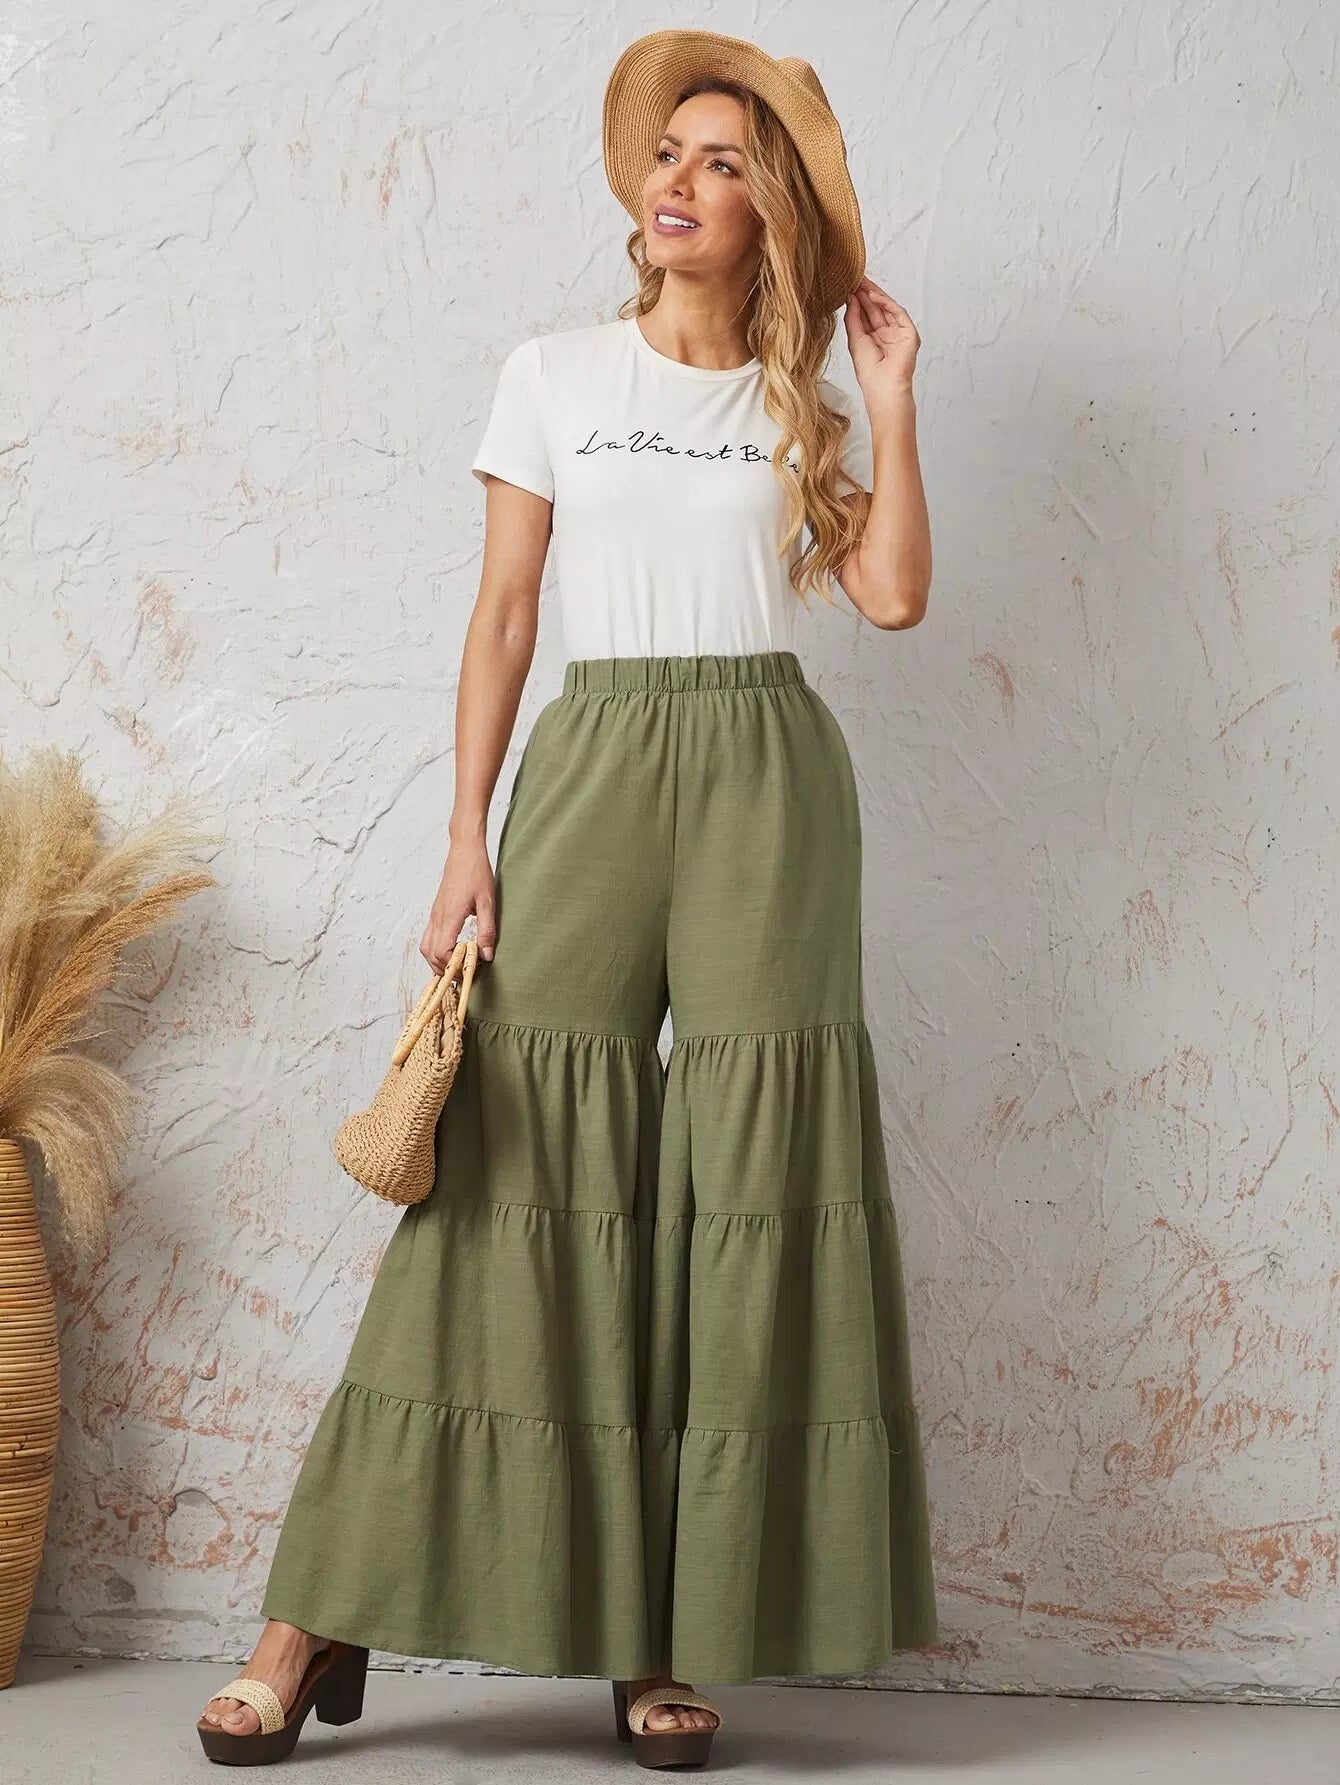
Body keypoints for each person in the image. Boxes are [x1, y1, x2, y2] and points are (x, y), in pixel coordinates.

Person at [196, 27, 938, 1769]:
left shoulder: (797, 411)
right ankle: (308, 1619)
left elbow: (897, 595)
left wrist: (891, 399)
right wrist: (467, 833)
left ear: (769, 218)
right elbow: (507, 616)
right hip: (591, 766)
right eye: (670, 154)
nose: (681, 181)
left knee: (741, 1182)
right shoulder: (551, 373)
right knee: (508, 1166)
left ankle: (656, 1640)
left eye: (724, 163)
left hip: (769, 783)